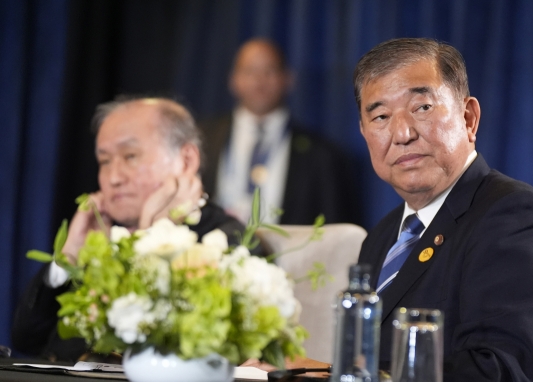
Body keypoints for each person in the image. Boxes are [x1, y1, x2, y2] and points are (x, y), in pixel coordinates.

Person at [355, 39, 533, 382]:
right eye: (380, 116)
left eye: (422, 107)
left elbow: (500, 377)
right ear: (365, 134)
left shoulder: (514, 217)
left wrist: (346, 374)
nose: (403, 134)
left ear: (468, 118)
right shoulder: (380, 237)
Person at [12, 97, 244, 362]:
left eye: (130, 156)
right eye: (105, 161)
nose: (113, 178)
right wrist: (68, 258)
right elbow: (27, 341)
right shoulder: (104, 235)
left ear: (186, 160)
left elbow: (167, 351)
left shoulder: (226, 240)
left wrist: (153, 239)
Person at [199, 38, 357, 225]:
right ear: (233, 80)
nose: (259, 81)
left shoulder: (322, 155)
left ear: (288, 79)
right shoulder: (201, 138)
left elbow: (335, 229)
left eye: (269, 71)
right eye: (250, 71)